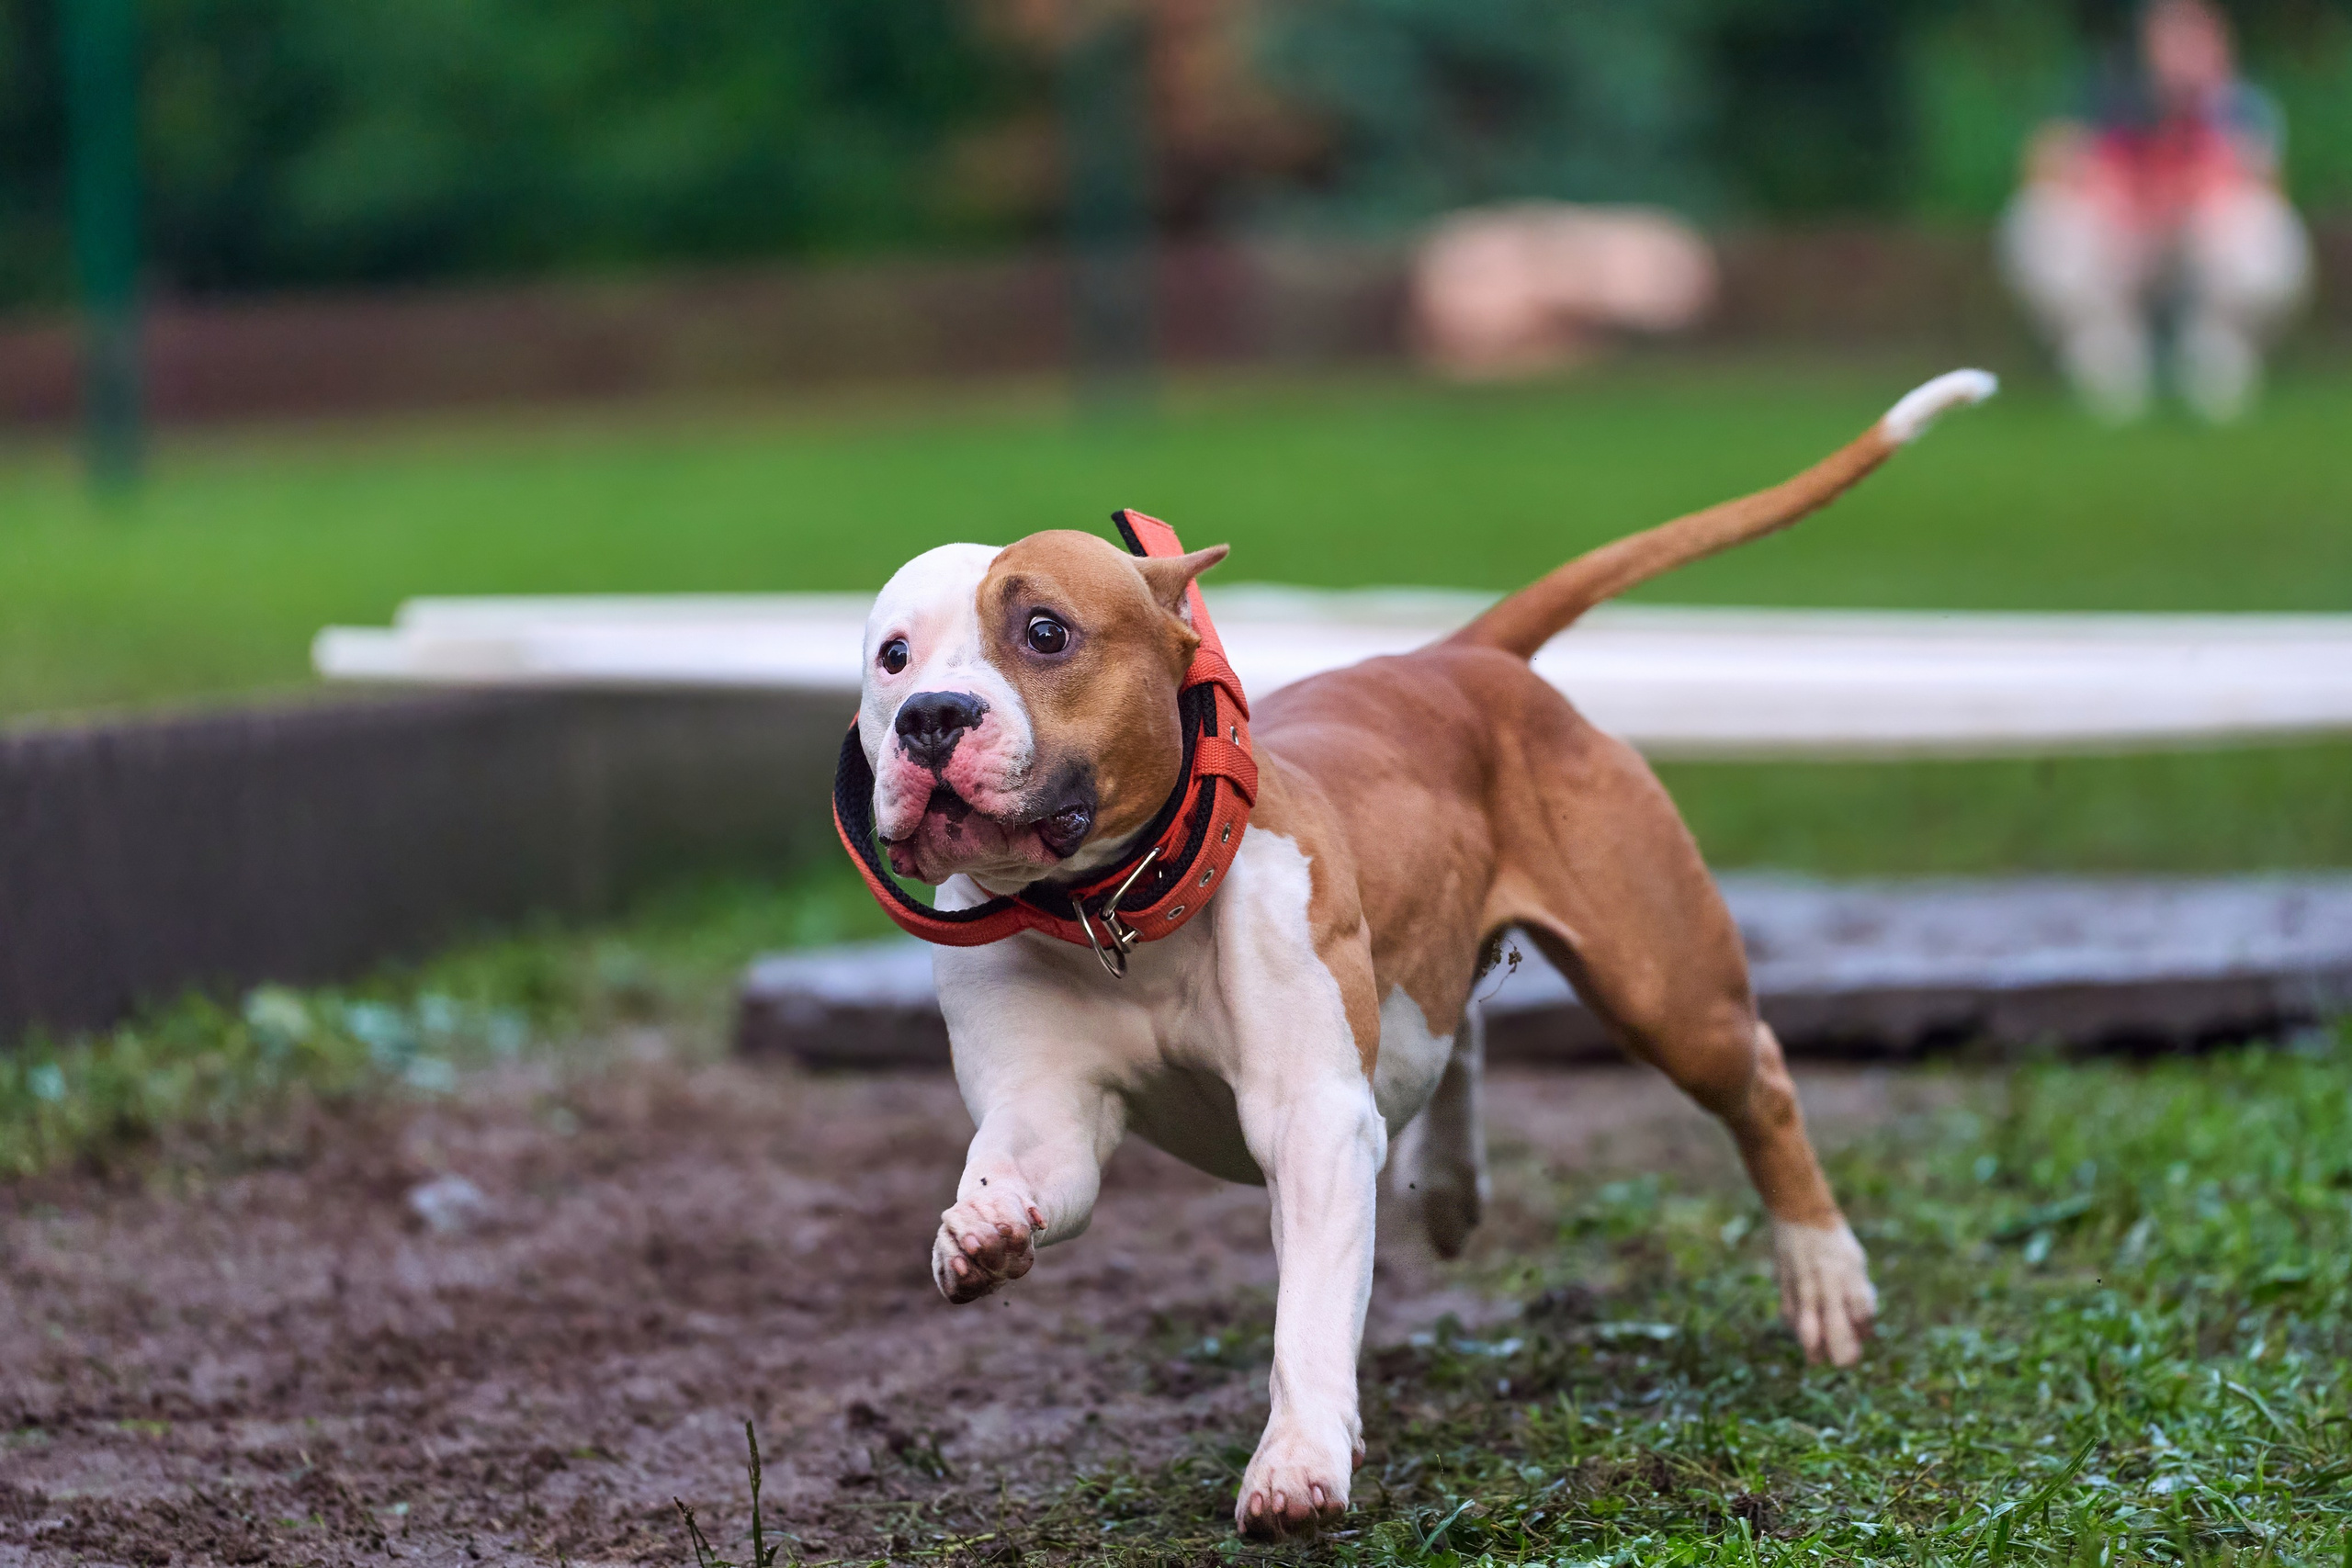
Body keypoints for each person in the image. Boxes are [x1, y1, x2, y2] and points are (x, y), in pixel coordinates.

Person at [2001, 0, 2311, 423]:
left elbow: (2268, 182)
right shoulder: (2101, 92)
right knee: (2042, 220)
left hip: (2197, 250)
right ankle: (2106, 351)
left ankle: (2216, 351)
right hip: (2118, 247)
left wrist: (2199, 187)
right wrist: (2109, 187)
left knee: (2261, 224)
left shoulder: (2238, 106)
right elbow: (2042, 164)